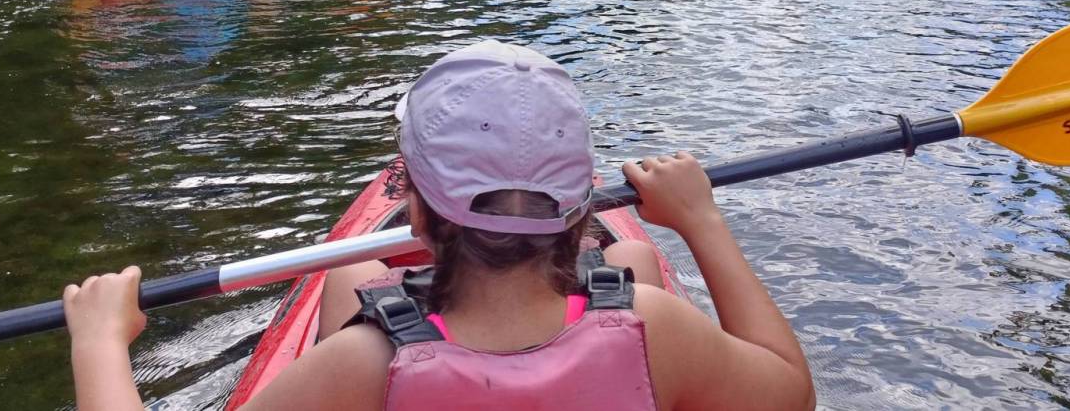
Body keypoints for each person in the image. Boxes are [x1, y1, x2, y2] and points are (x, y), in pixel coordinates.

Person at [62, 42, 816, 411]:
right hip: (623, 335)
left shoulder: (358, 367)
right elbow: (791, 391)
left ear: (416, 212)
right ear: (581, 213)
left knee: (350, 277)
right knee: (637, 273)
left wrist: (98, 342)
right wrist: (701, 220)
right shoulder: (658, 328)